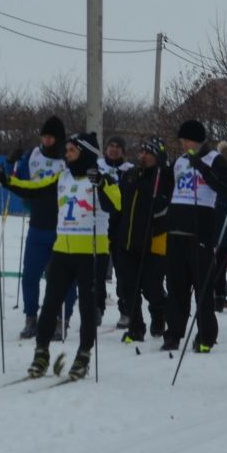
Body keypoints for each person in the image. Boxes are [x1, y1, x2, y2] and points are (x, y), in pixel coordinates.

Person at [0, 132, 121, 381]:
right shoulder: (62, 177)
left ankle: (84, 355)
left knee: (86, 308)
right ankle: (41, 354)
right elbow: (32, 188)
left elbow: (116, 205)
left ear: (83, 152)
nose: (67, 154)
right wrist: (5, 180)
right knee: (50, 304)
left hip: (92, 253)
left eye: (72, 151)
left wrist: (102, 184)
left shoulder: (104, 177)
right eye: (67, 151)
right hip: (62, 250)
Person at [165, 120, 227, 353]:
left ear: (199, 140)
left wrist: (203, 168)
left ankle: (206, 335)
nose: (184, 145)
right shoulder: (180, 162)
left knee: (201, 285)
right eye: (182, 141)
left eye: (188, 141)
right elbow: (169, 188)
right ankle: (173, 333)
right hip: (177, 228)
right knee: (176, 286)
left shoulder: (215, 159)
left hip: (200, 229)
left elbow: (226, 188)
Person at [14, 116, 69, 340]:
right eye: (43, 136)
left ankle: (60, 320)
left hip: (62, 226)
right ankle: (31, 318)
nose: (46, 141)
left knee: (62, 279)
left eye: (50, 137)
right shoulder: (33, 155)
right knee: (30, 275)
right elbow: (19, 182)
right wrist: (12, 164)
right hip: (37, 224)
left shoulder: (68, 157)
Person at [117, 137, 171, 343]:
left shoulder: (163, 177)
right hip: (128, 241)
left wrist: (145, 184)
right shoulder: (130, 175)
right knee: (128, 288)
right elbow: (119, 203)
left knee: (152, 288)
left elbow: (159, 206)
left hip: (153, 242)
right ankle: (135, 327)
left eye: (148, 153)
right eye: (141, 152)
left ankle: (159, 315)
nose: (143, 156)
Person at [103, 136, 135, 327]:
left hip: (119, 225)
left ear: (123, 151)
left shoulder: (128, 170)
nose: (114, 150)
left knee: (122, 272)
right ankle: (96, 307)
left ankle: (125, 310)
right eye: (111, 146)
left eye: (118, 147)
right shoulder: (98, 166)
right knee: (97, 271)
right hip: (97, 224)